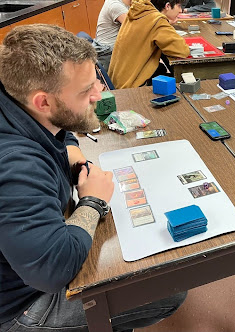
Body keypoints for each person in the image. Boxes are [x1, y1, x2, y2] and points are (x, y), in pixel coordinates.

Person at [0, 24, 186, 331]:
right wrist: (92, 202)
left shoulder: (16, 94)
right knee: (169, 288)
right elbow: (54, 268)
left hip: (26, 261)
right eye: (87, 91)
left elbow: (58, 126)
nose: (100, 95)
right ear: (42, 101)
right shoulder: (18, 167)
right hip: (24, 304)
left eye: (96, 80)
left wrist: (71, 154)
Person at [109, 0, 190, 89]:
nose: (181, 11)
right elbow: (182, 51)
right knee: (180, 84)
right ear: (167, 6)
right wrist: (167, 24)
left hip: (117, 80)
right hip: (131, 86)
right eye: (179, 6)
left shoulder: (139, 12)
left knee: (161, 68)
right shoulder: (156, 20)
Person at [94, 0, 132, 70]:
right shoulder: (116, 6)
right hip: (108, 53)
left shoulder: (121, 3)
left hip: (108, 50)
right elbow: (135, 29)